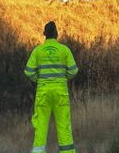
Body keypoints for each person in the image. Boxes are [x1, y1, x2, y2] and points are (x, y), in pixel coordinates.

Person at [24, 21, 79, 152]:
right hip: (60, 92)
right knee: (64, 127)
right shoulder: (64, 50)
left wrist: (40, 79)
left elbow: (28, 71)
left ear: (44, 34)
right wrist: (63, 78)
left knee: (41, 127)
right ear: (56, 34)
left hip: (43, 93)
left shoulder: (37, 51)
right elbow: (73, 70)